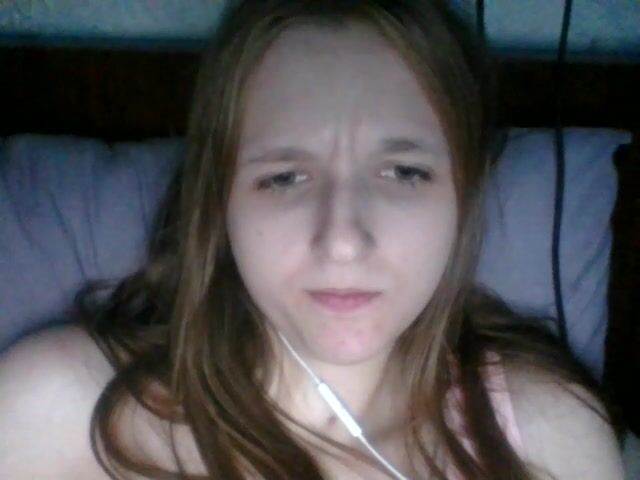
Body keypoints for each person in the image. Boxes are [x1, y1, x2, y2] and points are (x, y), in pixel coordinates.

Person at [0, 0, 625, 478]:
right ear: (219, 201)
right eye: (285, 177)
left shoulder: (548, 435)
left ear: (462, 194)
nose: (343, 242)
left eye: (403, 172)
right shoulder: (56, 411)